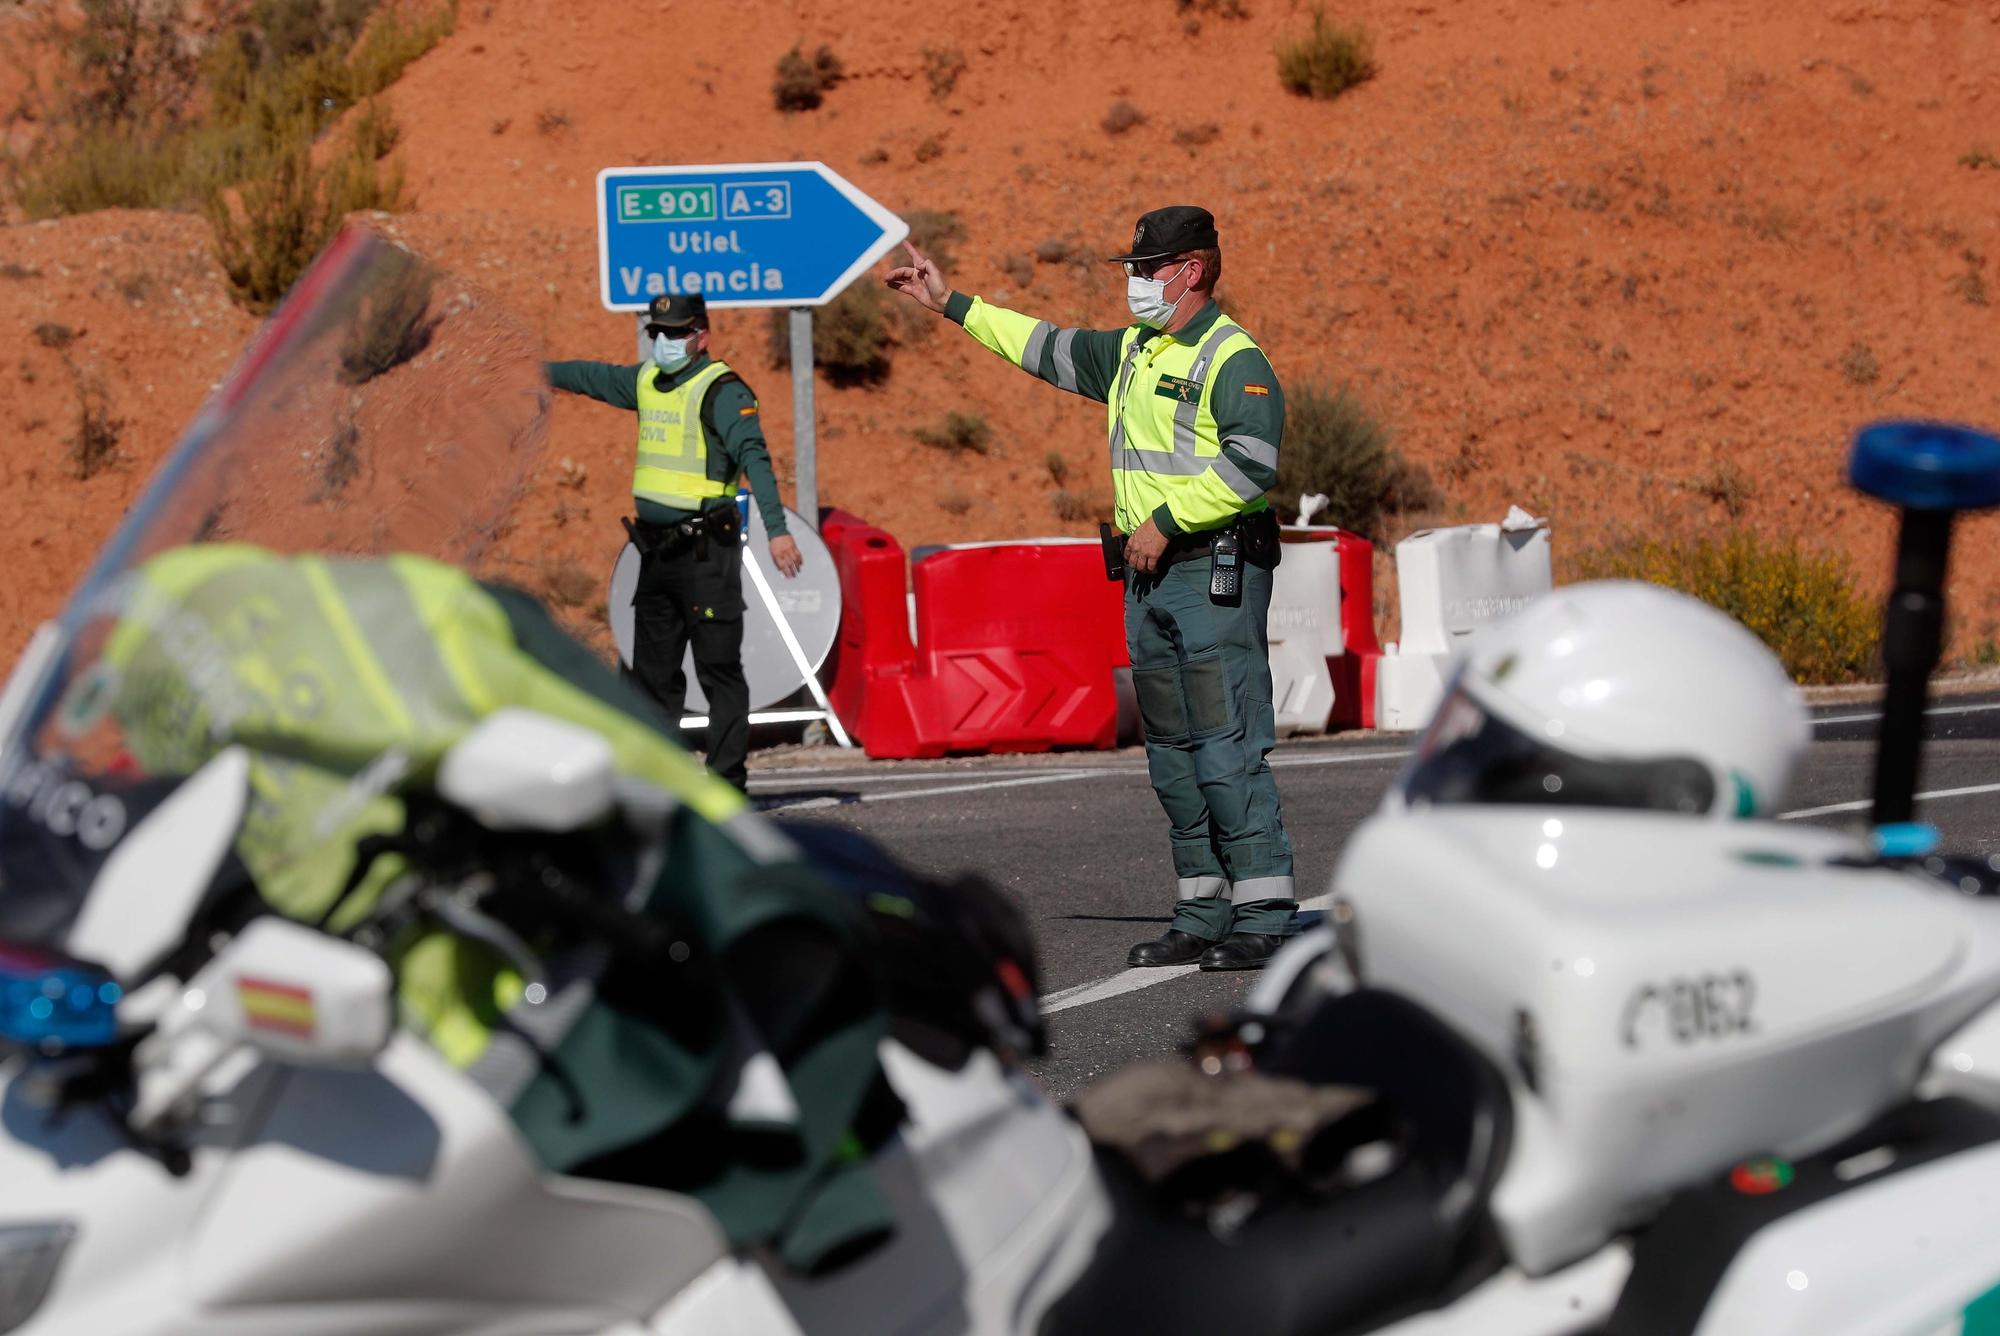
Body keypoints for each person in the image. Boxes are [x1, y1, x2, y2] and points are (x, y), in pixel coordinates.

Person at [885, 205, 1298, 971]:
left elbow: (1253, 463)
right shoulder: (1136, 351)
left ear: (1193, 270)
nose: (1136, 283)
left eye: (1148, 269)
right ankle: (1203, 911)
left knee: (1225, 746)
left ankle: (1265, 913)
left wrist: (1169, 521)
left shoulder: (1233, 358)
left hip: (1210, 574)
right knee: (1172, 753)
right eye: (1135, 270)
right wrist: (951, 305)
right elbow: (1043, 346)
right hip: (1148, 581)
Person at [545, 293, 802, 794]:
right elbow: (589, 377)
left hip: (706, 554)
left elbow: (756, 459)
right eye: (657, 333)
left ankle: (726, 788)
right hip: (657, 554)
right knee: (652, 679)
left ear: (701, 337)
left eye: (675, 333)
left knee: (718, 674)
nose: (664, 342)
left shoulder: (721, 390)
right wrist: (536, 372)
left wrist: (778, 530)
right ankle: (658, 788)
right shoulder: (645, 381)